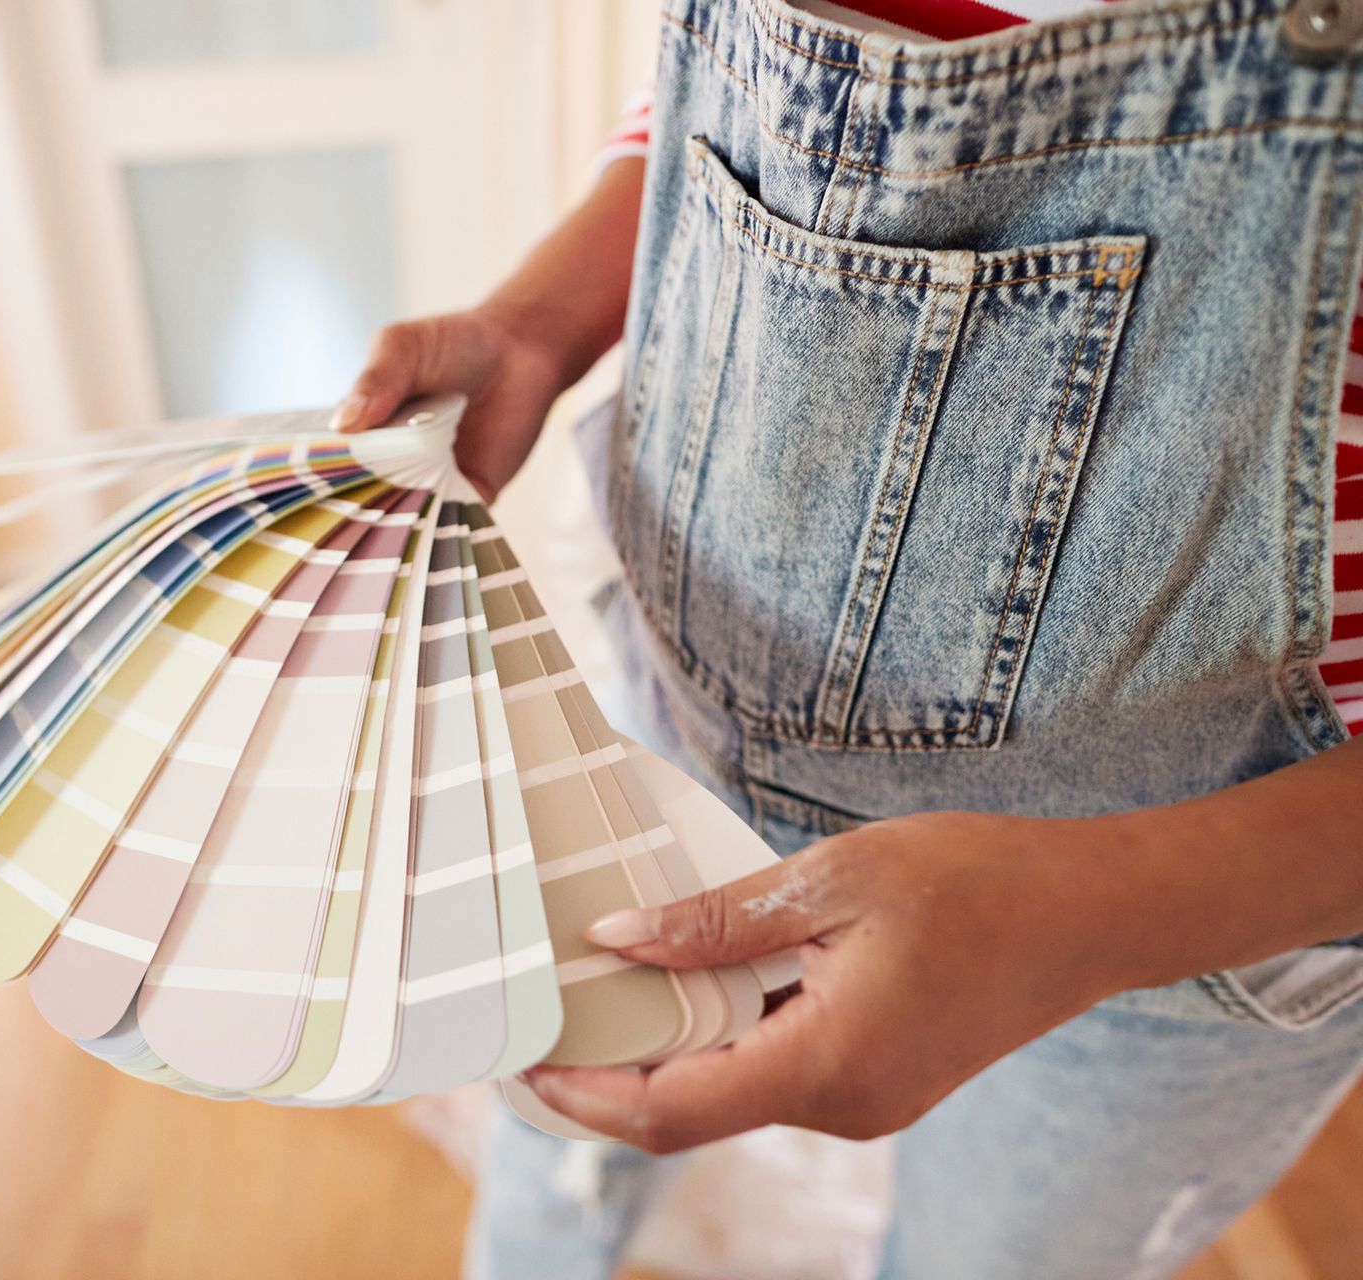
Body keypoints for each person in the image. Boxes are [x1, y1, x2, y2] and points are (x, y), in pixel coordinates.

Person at [333, 0, 1363, 1276]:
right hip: (678, 721)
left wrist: (1095, 913)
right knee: (552, 1140)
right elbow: (753, 89)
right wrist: (543, 319)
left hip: (1185, 916)